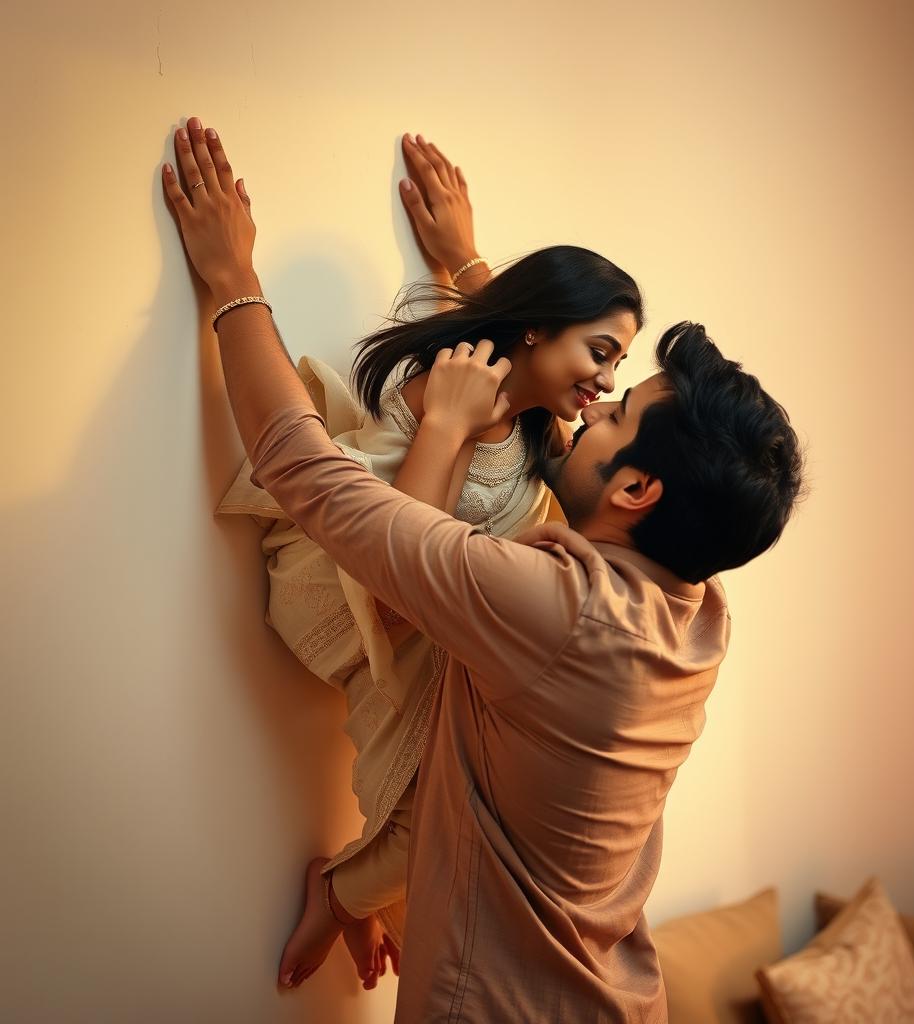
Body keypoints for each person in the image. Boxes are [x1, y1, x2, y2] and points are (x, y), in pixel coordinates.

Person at [162, 116, 808, 1021]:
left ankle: (345, 891)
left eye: (616, 418)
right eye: (606, 378)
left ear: (637, 491)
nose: (594, 410)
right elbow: (540, 382)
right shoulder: (696, 610)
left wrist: (231, 281)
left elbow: (307, 472)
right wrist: (475, 272)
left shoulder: (550, 608)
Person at [213, 135, 641, 989]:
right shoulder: (452, 392)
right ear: (536, 327)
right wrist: (445, 427)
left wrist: (465, 255)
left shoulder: (537, 425)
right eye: (602, 353)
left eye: (620, 363)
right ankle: (343, 896)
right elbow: (394, 561)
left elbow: (534, 350)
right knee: (437, 822)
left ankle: (352, 895)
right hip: (359, 610)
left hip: (429, 619)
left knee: (461, 826)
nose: (606, 382)